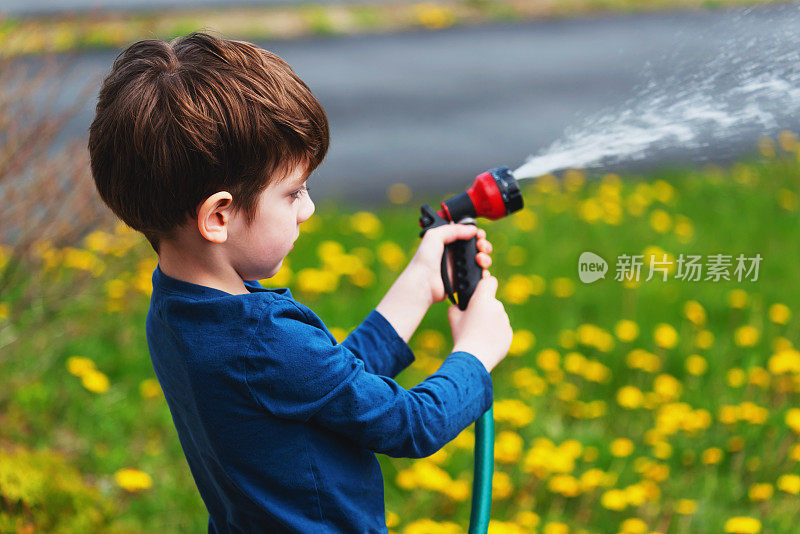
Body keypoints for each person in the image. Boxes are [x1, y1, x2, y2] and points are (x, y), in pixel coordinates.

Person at [88, 31, 512, 533]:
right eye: (293, 193)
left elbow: (328, 385)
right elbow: (407, 425)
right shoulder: (261, 339)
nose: (308, 210)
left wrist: (419, 284)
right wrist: (476, 353)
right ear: (219, 216)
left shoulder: (179, 309)